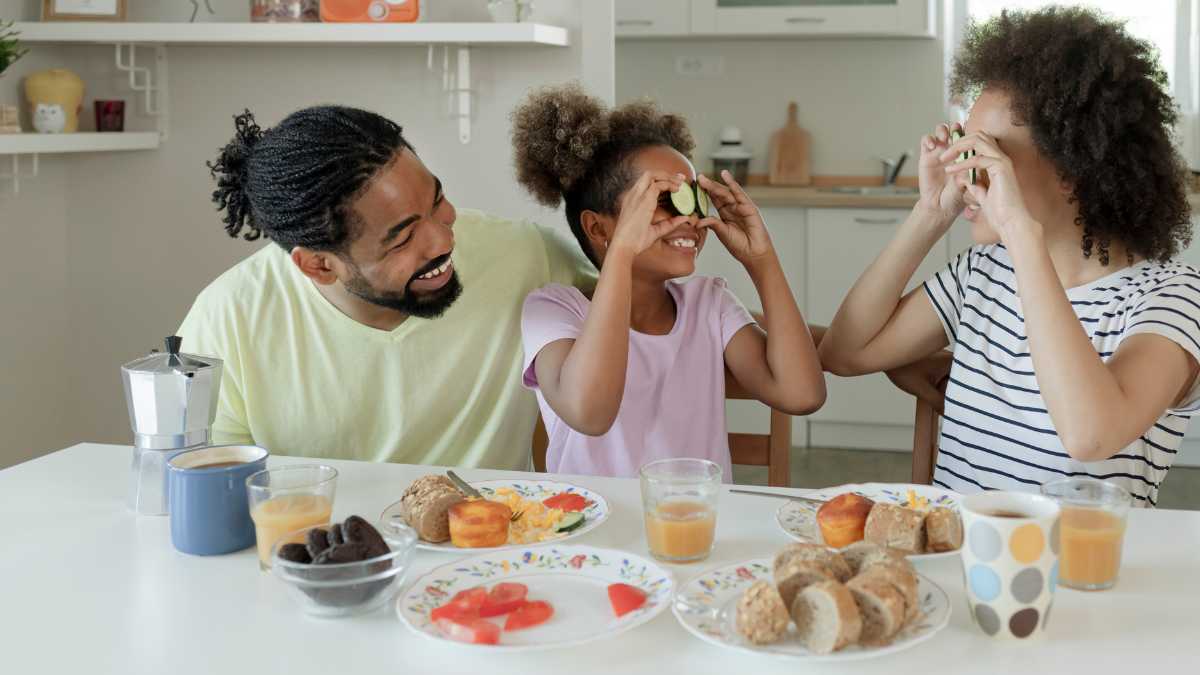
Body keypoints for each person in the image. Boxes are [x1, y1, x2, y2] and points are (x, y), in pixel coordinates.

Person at [818, 7, 1198, 505]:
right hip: (962, 560)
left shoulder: (1172, 298)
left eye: (987, 156)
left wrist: (1021, 231)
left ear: (1071, 168)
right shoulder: (983, 275)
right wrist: (930, 213)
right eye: (963, 150)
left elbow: (1090, 435)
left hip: (1085, 575)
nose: (964, 174)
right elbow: (844, 354)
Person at [178, 105, 595, 468]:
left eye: (437, 201)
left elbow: (643, 306)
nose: (444, 240)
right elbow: (209, 483)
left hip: (492, 549)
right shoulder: (227, 318)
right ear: (319, 266)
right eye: (403, 238)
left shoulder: (526, 256)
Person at [511, 85, 826, 480]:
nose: (690, 218)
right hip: (593, 529)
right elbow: (590, 413)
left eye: (694, 199)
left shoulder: (709, 304)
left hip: (697, 526)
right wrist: (622, 254)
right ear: (598, 227)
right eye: (664, 198)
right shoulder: (554, 310)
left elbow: (802, 395)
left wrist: (763, 261)